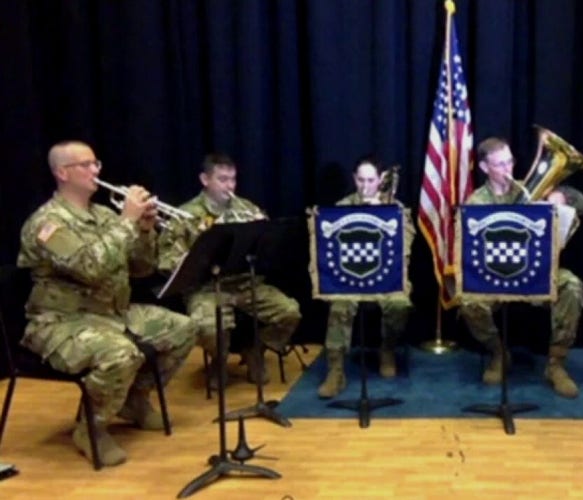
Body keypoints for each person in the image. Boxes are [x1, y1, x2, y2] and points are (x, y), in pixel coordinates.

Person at [17, 140, 198, 466]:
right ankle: (91, 428)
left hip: (111, 313)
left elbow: (142, 269)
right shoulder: (46, 224)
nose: (96, 170)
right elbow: (91, 267)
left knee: (183, 328)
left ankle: (134, 399)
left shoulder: (103, 215)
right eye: (85, 165)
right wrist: (127, 221)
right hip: (62, 322)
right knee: (120, 354)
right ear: (61, 172)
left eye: (96, 163)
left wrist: (144, 231)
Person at [458, 137, 583, 398]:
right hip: (495, 273)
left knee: (572, 286)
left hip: (536, 270)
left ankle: (556, 363)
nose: (508, 169)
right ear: (484, 168)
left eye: (510, 162)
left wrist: (560, 198)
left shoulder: (528, 189)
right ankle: (498, 352)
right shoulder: (476, 202)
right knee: (468, 300)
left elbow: (582, 203)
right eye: (500, 165)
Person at [158, 153, 301, 388]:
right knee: (207, 327)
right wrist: (194, 259)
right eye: (222, 179)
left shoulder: (246, 207)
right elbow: (166, 262)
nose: (230, 186)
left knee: (290, 313)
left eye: (233, 179)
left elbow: (267, 245)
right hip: (207, 288)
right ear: (205, 179)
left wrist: (261, 233)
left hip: (246, 283)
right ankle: (219, 361)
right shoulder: (186, 214)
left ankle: (256, 350)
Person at [317, 158, 414, 398]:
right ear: (354, 179)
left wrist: (378, 215)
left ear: (380, 180)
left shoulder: (396, 208)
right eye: (360, 180)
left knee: (400, 304)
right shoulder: (341, 207)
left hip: (386, 276)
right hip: (349, 277)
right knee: (340, 304)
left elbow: (406, 247)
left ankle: (387, 349)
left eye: (371, 180)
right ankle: (336, 370)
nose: (364, 186)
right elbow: (329, 247)